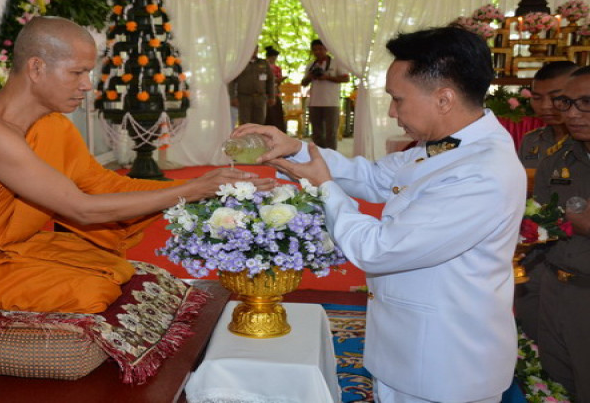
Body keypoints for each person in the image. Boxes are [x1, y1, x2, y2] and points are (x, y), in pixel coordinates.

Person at [0, 16, 275, 314]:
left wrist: (187, 194)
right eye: (78, 72)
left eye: (89, 72)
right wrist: (194, 188)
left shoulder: (47, 125)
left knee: (112, 269)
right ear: (36, 68)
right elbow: (80, 208)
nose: (87, 84)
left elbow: (96, 184)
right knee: (88, 292)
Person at [235, 26, 525, 402]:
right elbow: (373, 177)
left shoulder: (482, 171)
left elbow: (380, 249)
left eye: (397, 98)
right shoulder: (445, 147)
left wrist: (326, 188)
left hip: (445, 363)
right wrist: (295, 150)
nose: (391, 111)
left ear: (444, 99)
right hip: (408, 348)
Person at [531, 66, 590, 400]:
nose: (573, 113)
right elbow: (541, 225)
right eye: (567, 103)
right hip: (554, 288)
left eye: (586, 103)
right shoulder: (557, 160)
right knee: (556, 388)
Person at [514, 60, 577, 343]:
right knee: (529, 320)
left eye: (557, 97)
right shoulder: (532, 141)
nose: (546, 106)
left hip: (573, 254)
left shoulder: (581, 143)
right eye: (538, 98)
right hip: (532, 251)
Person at [301, 39, 349, 150]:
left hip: (331, 103)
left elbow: (346, 78)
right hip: (314, 103)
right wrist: (310, 76)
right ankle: (319, 155)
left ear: (326, 49)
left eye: (320, 49)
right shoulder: (311, 65)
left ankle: (332, 157)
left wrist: (327, 77)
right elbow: (303, 83)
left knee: (331, 133)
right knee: (317, 133)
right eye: (315, 50)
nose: (317, 52)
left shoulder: (336, 62)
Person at [228, 47, 275, 127]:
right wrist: (232, 97)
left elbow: (270, 80)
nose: (254, 50)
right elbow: (231, 81)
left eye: (256, 48)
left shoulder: (263, 63)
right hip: (244, 98)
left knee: (259, 123)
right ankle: (245, 139)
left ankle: (257, 139)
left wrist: (272, 96)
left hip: (260, 98)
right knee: (245, 124)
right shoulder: (241, 63)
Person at [264, 45, 286, 133]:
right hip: (266, 94)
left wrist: (279, 81)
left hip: (276, 93)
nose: (274, 59)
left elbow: (278, 82)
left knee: (277, 117)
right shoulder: (263, 66)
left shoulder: (277, 68)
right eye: (272, 57)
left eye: (275, 57)